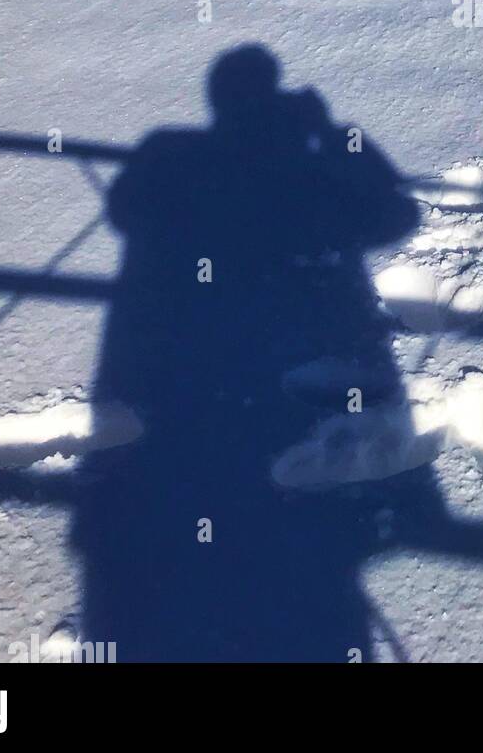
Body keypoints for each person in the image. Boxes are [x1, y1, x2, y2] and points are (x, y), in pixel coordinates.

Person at [71, 44, 428, 660]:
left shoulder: (174, 152)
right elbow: (394, 216)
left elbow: (123, 209)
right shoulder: (311, 158)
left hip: (199, 360)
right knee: (299, 536)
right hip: (304, 345)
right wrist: (340, 137)